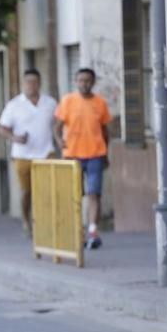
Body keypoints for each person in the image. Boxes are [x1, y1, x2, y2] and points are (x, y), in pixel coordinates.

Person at [55, 68, 112, 249]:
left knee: (94, 193)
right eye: (80, 80)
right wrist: (59, 143)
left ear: (93, 82)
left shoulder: (100, 103)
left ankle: (93, 231)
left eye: (87, 80)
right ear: (76, 82)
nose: (84, 84)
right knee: (75, 195)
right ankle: (77, 231)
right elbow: (56, 127)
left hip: (95, 154)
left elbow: (105, 131)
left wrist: (106, 154)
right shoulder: (68, 101)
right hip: (73, 155)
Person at [0, 69, 58, 236]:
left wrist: (60, 141)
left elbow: (56, 125)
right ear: (23, 83)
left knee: (47, 189)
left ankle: (45, 221)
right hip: (23, 154)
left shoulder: (50, 103)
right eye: (28, 82)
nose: (31, 85)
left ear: (39, 83)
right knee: (27, 191)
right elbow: (2, 129)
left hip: (46, 152)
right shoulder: (14, 105)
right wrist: (15, 138)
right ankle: (26, 219)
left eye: (34, 82)